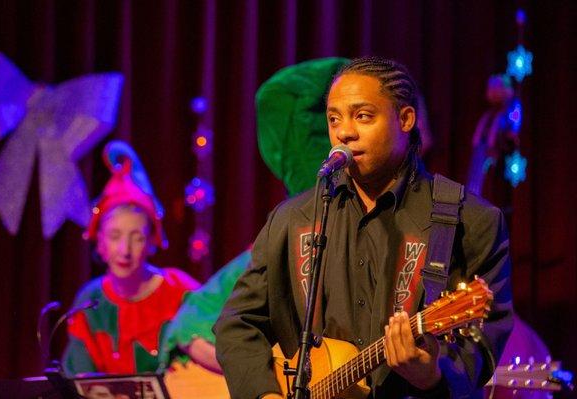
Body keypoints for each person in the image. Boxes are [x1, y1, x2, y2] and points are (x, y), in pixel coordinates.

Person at [213, 56, 513, 398]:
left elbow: (483, 337)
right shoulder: (293, 218)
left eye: (363, 116)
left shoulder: (470, 220)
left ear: (405, 119)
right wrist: (263, 393)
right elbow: (236, 323)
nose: (344, 131)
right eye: (333, 118)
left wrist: (433, 372)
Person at [62, 140, 213, 375]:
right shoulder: (89, 301)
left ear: (151, 241)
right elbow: (77, 381)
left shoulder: (178, 291)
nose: (125, 250)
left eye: (137, 237)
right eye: (114, 236)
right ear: (100, 241)